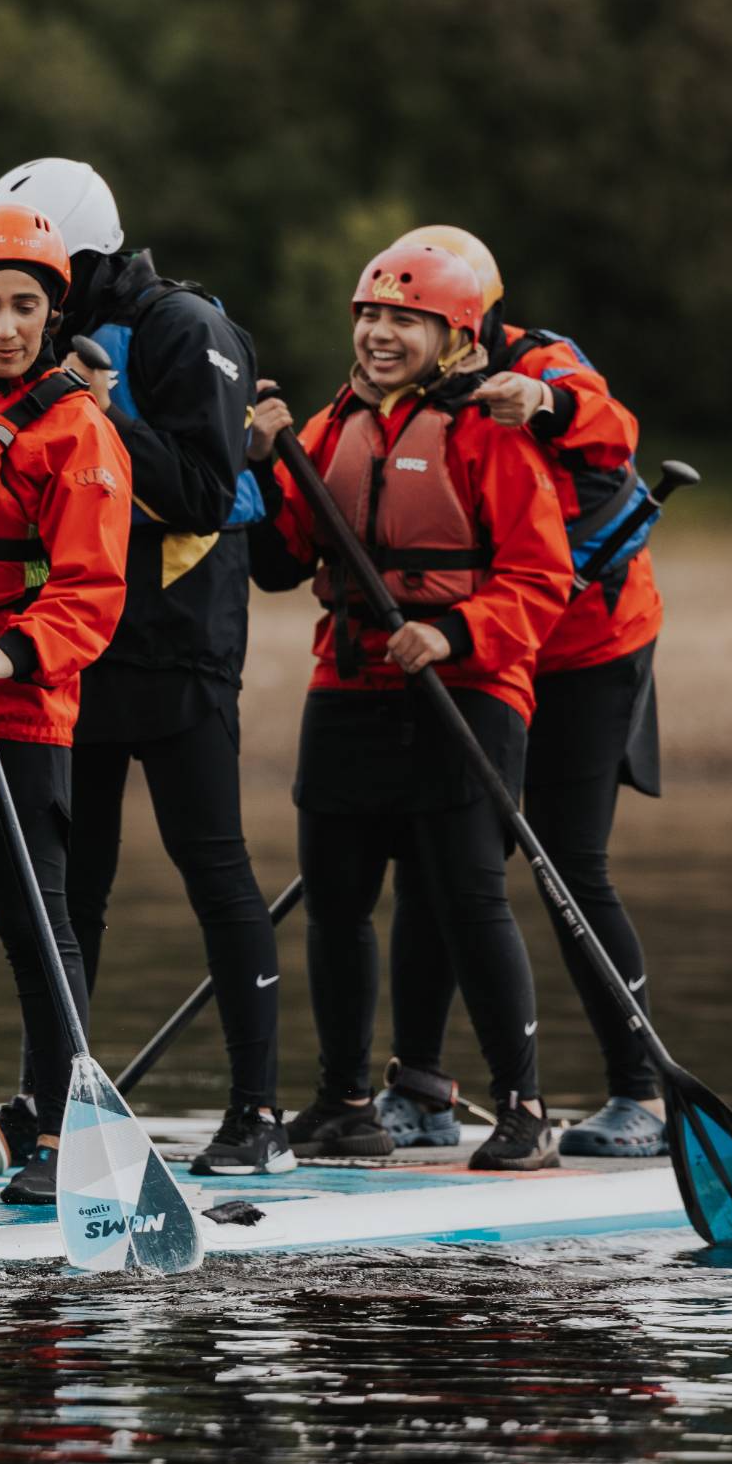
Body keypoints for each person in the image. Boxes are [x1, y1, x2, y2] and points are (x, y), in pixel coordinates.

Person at [0, 159, 289, 1176]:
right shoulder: (52, 342)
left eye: (39, 268)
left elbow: (206, 485)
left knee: (214, 867)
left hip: (184, 649)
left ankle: (258, 1115)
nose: (23, 294)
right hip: (86, 647)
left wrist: (97, 413)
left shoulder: (181, 326)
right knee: (74, 885)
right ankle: (49, 1099)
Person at [245, 240, 571, 1170]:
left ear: (455, 335)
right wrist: (267, 465)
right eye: (370, 315)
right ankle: (346, 1102)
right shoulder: (328, 427)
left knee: (469, 894)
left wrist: (458, 631)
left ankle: (524, 1109)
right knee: (337, 900)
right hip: (348, 682)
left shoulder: (489, 431)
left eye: (406, 319)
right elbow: (279, 563)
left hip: (465, 688)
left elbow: (542, 579)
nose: (381, 334)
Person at [375, 227, 669, 1158]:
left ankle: (644, 1097)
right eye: (387, 312)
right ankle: (419, 1087)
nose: (399, 329)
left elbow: (612, 431)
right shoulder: (402, 388)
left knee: (570, 859)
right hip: (479, 654)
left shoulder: (539, 361)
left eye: (420, 312)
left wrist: (541, 403)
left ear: (473, 315)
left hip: (585, 648)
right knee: (437, 863)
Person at [0, 204, 131, 1205]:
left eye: (26, 306)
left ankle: (59, 1125)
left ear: (53, 313)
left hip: (19, 712)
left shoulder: (76, 427)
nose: (5, 325)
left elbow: (92, 588)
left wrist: (8, 653)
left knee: (36, 927)